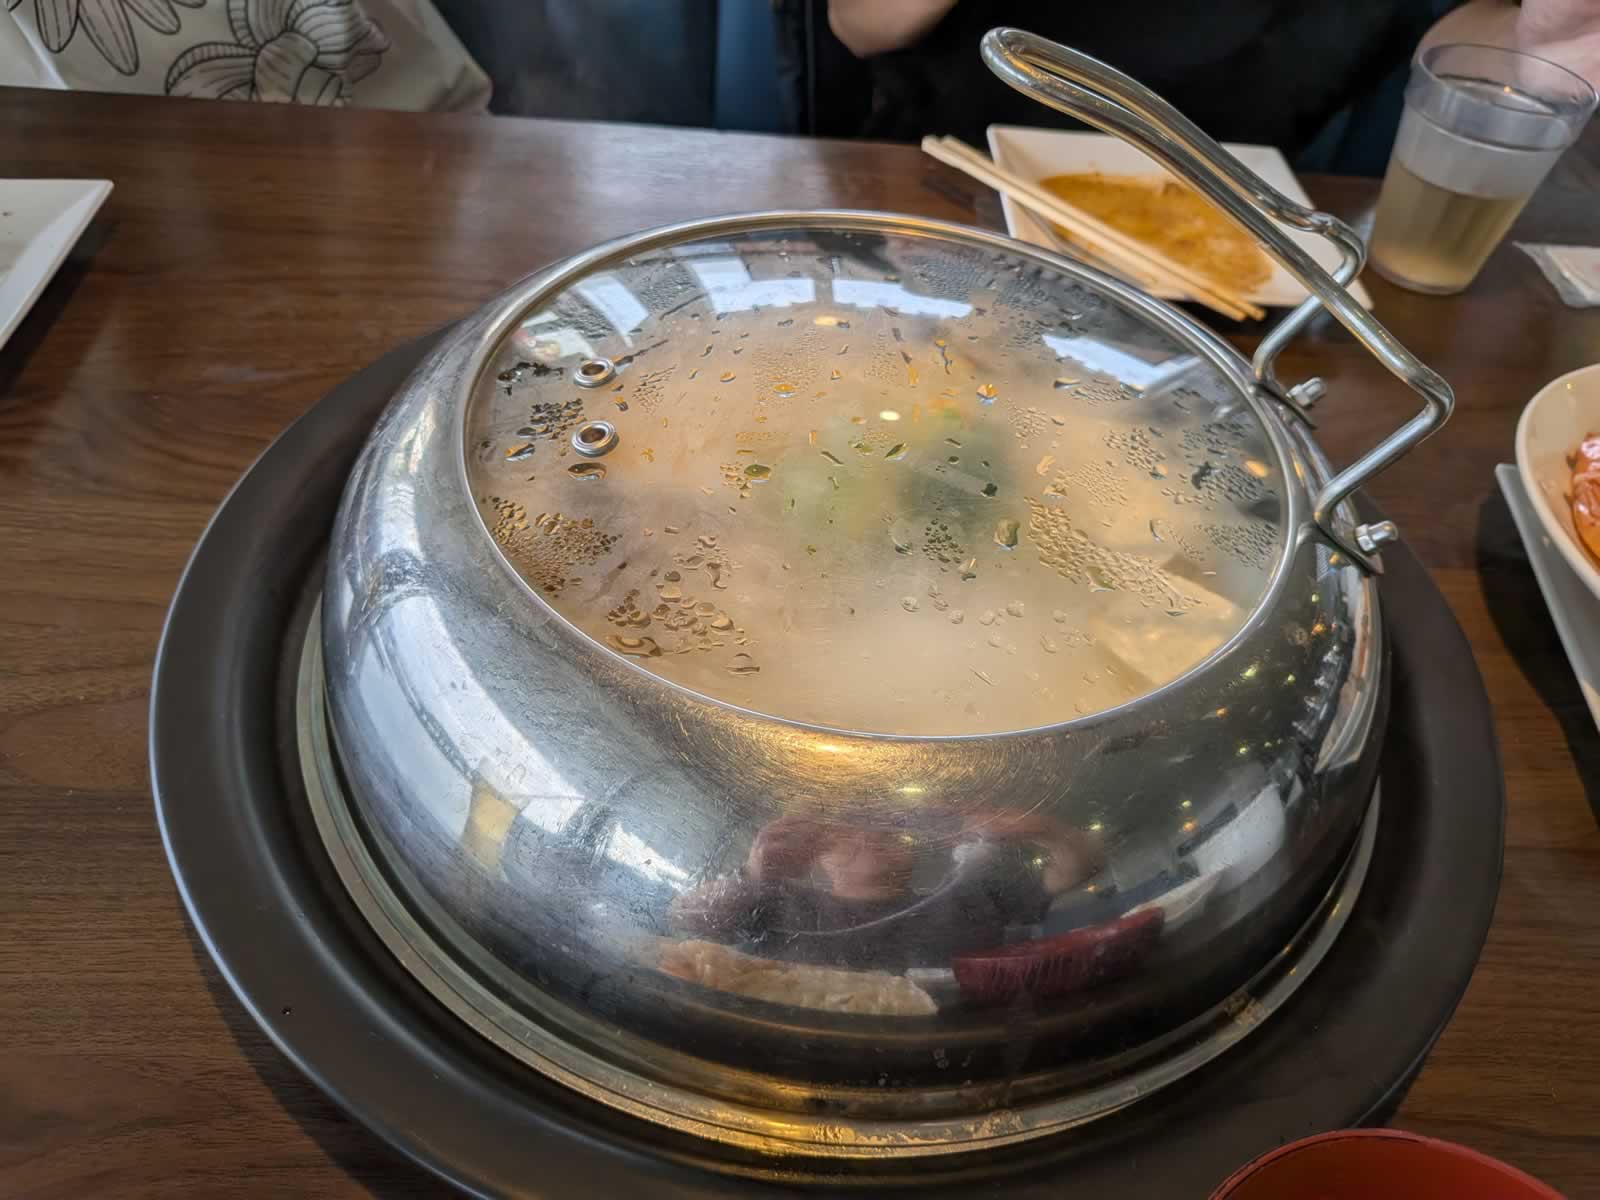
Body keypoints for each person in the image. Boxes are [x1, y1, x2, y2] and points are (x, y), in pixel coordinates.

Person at [778, 0, 1600, 175]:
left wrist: (1534, 55)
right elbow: (861, 22)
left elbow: (1449, 31)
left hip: (1229, 223)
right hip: (950, 188)